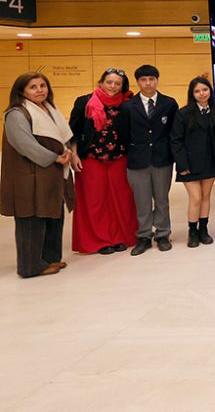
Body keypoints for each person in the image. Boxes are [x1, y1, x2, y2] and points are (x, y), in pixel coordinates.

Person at [1, 73, 77, 277]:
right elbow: (25, 145)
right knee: (31, 220)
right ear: (22, 91)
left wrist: (67, 151)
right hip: (30, 176)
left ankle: (50, 259)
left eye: (43, 85)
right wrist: (55, 158)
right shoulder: (17, 113)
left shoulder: (50, 109)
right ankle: (30, 267)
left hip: (51, 176)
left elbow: (63, 136)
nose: (40, 90)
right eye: (33, 87)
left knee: (53, 216)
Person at [69, 69, 138, 255]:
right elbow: (73, 132)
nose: (113, 86)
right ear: (101, 82)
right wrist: (74, 155)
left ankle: (119, 237)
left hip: (119, 157)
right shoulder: (85, 102)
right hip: (91, 158)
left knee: (121, 199)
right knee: (95, 200)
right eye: (109, 82)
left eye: (117, 83)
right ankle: (99, 240)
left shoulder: (127, 103)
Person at [120, 65, 178, 255]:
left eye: (151, 79)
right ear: (138, 82)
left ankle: (163, 234)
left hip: (162, 159)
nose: (148, 83)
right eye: (143, 80)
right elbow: (124, 134)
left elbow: (173, 133)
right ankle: (144, 236)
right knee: (142, 201)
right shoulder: (128, 106)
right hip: (138, 161)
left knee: (162, 199)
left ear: (157, 80)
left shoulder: (169, 103)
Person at [169, 77, 215, 248]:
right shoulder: (183, 113)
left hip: (210, 162)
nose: (202, 94)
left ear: (210, 91)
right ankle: (192, 231)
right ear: (192, 94)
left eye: (205, 90)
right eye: (197, 91)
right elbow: (175, 140)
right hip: (190, 164)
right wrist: (182, 165)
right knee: (196, 198)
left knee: (206, 197)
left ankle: (203, 230)